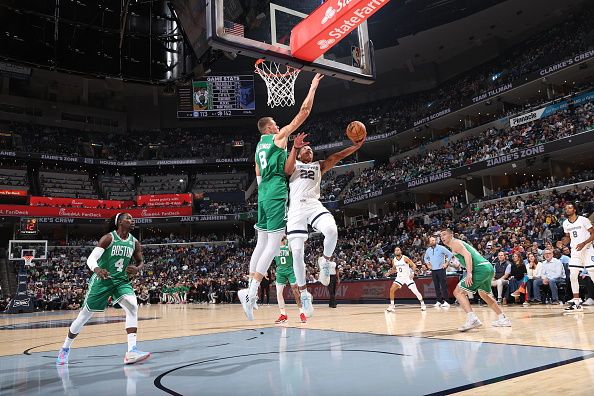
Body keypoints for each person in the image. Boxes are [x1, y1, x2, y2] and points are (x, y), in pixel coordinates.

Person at [239, 73, 323, 321]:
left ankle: (249, 288)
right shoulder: (277, 138)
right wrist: (313, 86)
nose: (278, 125)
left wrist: (267, 189)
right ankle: (251, 293)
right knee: (274, 245)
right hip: (275, 192)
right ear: (269, 128)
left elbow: (257, 173)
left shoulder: (258, 147)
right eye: (275, 123)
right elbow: (304, 113)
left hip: (263, 194)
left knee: (261, 243)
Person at [284, 129, 365, 317]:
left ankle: (326, 262)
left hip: (313, 204)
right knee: (296, 253)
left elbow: (336, 156)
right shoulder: (293, 163)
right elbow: (287, 171)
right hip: (296, 209)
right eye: (306, 149)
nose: (309, 151)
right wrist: (295, 148)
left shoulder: (318, 166)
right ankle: (304, 294)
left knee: (332, 230)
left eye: (311, 150)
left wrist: (355, 146)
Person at [56, 213, 150, 365]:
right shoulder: (109, 238)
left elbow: (140, 261)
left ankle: (132, 351)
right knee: (84, 316)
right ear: (119, 222)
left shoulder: (134, 242)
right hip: (102, 280)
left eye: (133, 219)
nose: (132, 221)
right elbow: (91, 259)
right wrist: (98, 270)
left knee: (133, 306)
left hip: (121, 281)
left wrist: (137, 268)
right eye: (129, 219)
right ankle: (65, 348)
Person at [439, 228, 511, 331]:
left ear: (451, 235)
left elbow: (468, 256)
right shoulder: (457, 245)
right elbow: (465, 258)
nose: (442, 237)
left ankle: (472, 319)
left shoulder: (455, 243)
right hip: (487, 267)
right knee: (484, 294)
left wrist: (469, 274)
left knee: (458, 292)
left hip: (480, 269)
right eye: (441, 236)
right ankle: (503, 318)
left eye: (444, 234)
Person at [561, 202, 594, 312]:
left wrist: (584, 243)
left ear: (574, 210)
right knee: (573, 275)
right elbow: (567, 237)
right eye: (566, 208)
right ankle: (576, 302)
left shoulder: (583, 220)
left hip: (588, 249)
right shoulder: (565, 223)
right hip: (575, 251)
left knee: (593, 274)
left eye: (570, 207)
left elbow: (593, 234)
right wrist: (562, 242)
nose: (567, 209)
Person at [274, 237, 306, 324]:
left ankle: (302, 312)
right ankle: (283, 314)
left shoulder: (289, 243)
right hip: (280, 271)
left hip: (291, 270)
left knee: (295, 291)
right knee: (278, 293)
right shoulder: (274, 245)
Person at [385, 247, 426, 312]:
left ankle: (422, 303)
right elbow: (394, 269)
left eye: (398, 250)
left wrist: (412, 273)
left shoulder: (405, 258)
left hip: (407, 277)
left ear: (400, 251)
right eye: (395, 250)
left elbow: (413, 265)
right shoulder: (394, 260)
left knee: (415, 291)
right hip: (399, 277)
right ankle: (392, 305)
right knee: (391, 290)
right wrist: (389, 273)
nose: (397, 251)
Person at [423, 236, 453, 308]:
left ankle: (446, 301)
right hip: (433, 270)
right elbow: (425, 258)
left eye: (434, 240)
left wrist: (446, 263)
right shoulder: (428, 250)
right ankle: (439, 301)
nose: (433, 241)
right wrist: (428, 264)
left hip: (441, 269)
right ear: (429, 242)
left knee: (443, 286)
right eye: (431, 241)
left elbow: (450, 254)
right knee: (436, 286)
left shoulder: (441, 248)